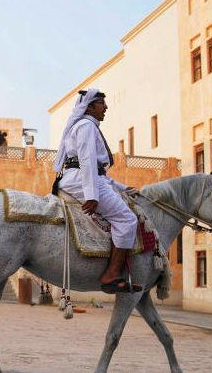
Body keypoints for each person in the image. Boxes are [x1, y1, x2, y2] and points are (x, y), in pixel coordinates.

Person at [52, 88, 141, 293]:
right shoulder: (86, 126)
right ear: (89, 106)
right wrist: (91, 195)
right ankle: (111, 274)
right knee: (127, 220)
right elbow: (87, 161)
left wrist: (122, 188)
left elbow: (99, 173)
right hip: (83, 180)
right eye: (101, 103)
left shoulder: (86, 126)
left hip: (86, 178)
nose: (106, 107)